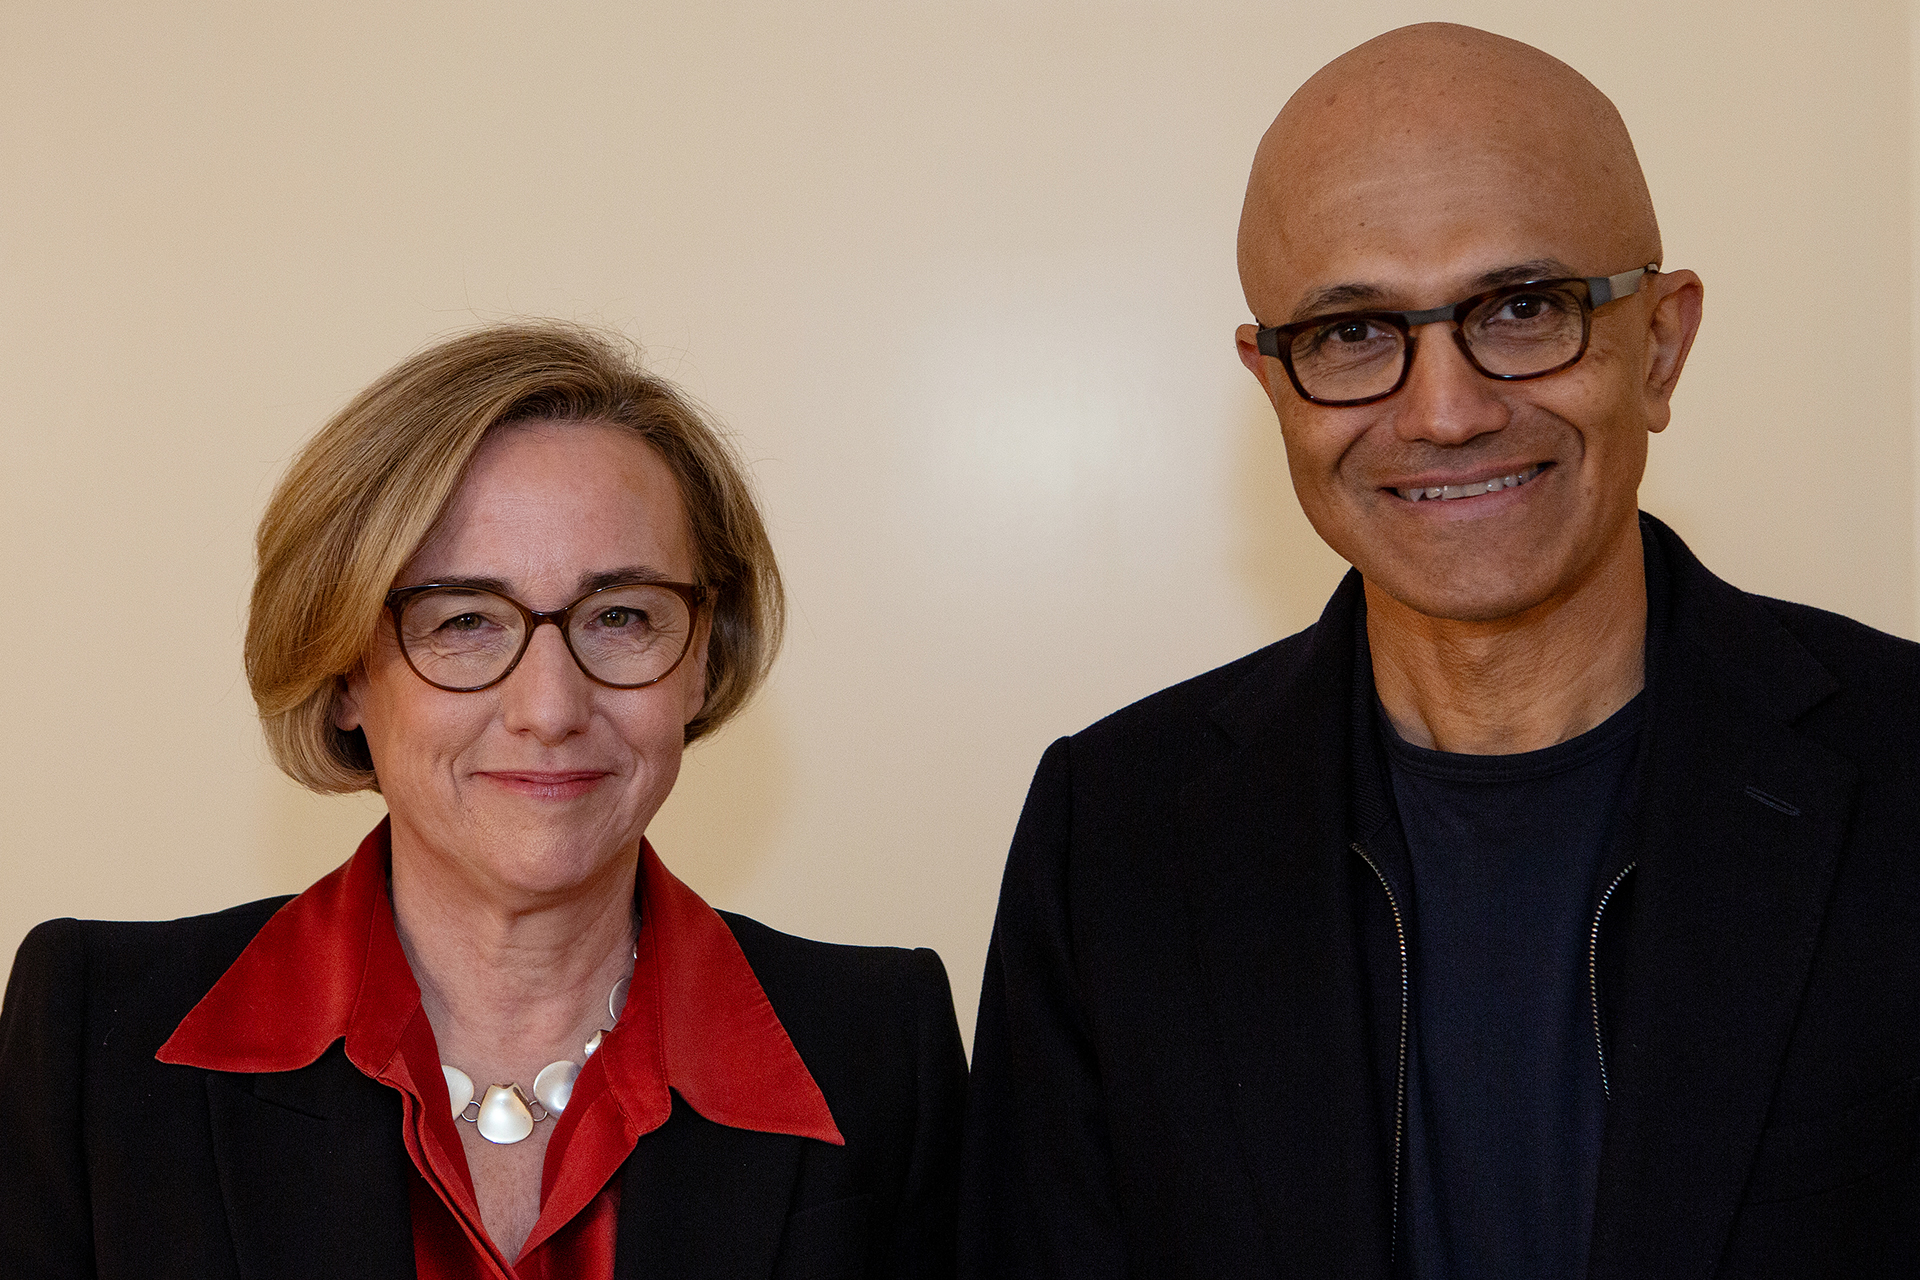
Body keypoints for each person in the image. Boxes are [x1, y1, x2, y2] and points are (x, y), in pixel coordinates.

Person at [960, 23, 1918, 1280]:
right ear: (1273, 387)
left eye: (1524, 309)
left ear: (1663, 345)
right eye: (1353, 333)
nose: (1448, 409)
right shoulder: (1114, 839)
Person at [1, 322, 967, 1279]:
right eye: (464, 620)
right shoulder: (97, 1041)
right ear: (343, 669)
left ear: (704, 658)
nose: (549, 708)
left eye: (621, 615)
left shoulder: (880, 1053)